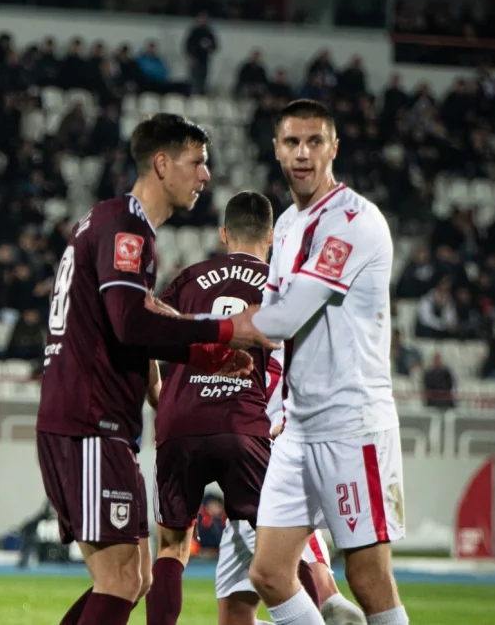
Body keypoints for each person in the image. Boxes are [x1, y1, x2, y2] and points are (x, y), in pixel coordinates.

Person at [33, 113, 274, 625]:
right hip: (89, 420)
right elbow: (129, 322)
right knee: (121, 579)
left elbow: (130, 317)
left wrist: (190, 361)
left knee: (138, 575)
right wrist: (223, 330)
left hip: (91, 418)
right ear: (162, 164)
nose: (206, 174)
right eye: (197, 162)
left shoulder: (111, 220)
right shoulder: (127, 227)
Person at [243, 99, 407, 625]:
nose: (303, 153)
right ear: (276, 149)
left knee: (368, 578)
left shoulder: (355, 220)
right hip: (299, 428)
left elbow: (286, 316)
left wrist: (195, 329)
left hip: (351, 424)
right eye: (292, 142)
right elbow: (269, 316)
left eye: (315, 142)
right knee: (269, 572)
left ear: (334, 148)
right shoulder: (288, 224)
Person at [144, 191, 277, 625]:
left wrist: (159, 396)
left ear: (223, 233)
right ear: (272, 236)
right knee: (280, 548)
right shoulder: (279, 283)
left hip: (181, 419)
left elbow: (147, 334)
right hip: (243, 423)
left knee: (171, 547)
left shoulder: (189, 278)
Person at [212, 348, 367, 625]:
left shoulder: (267, 352)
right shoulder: (285, 350)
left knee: (315, 594)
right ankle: (327, 600)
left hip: (271, 473)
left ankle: (327, 600)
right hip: (263, 477)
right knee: (237, 613)